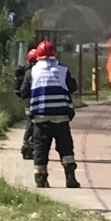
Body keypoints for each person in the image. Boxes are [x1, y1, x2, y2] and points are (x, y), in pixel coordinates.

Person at [20, 39, 80, 188]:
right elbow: (73, 87)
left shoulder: (32, 72)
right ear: (54, 54)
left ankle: (41, 180)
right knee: (66, 150)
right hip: (61, 118)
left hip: (41, 120)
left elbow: (23, 92)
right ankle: (70, 179)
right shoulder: (63, 71)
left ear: (38, 56)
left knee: (41, 150)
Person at [14, 47, 38, 160]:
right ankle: (28, 147)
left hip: (28, 103)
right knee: (33, 125)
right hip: (34, 104)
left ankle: (27, 147)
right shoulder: (34, 72)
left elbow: (22, 90)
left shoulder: (27, 71)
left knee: (31, 125)